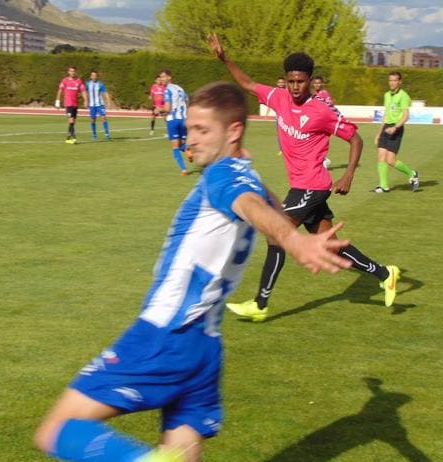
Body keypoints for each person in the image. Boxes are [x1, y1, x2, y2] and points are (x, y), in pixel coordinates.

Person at [34, 81, 352, 462]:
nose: (190, 139)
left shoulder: (224, 177)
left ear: (233, 130)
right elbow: (268, 212)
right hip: (204, 348)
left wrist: (293, 240)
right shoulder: (245, 175)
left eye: (202, 130)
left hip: (165, 335)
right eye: (189, 129)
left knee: (57, 430)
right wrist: (291, 233)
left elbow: (250, 206)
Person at [208, 33, 400, 321]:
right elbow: (247, 84)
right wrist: (224, 57)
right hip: (301, 186)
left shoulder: (321, 111)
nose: (296, 87)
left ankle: (260, 304)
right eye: (291, 81)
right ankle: (386, 274)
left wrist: (348, 175)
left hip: (312, 186)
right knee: (329, 244)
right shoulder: (278, 97)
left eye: (301, 81)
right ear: (285, 79)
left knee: (277, 234)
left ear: (310, 80)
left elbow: (356, 139)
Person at [374, 71, 419, 193]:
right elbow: (386, 114)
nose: (392, 83)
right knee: (381, 156)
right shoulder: (387, 95)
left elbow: (406, 115)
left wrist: (395, 128)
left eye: (395, 80)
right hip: (386, 128)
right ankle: (384, 186)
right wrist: (379, 132)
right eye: (390, 80)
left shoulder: (403, 96)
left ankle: (412, 173)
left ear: (399, 82)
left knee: (390, 160)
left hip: (396, 128)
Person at [159, 69, 192, 175]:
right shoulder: (179, 88)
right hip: (183, 119)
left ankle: (184, 169)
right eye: (160, 77)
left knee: (175, 147)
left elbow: (167, 109)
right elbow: (187, 101)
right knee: (182, 143)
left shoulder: (167, 90)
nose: (162, 79)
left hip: (173, 120)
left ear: (169, 77)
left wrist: (159, 110)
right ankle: (188, 151)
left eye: (163, 77)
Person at [55, 66, 88, 144]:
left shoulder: (79, 81)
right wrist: (57, 101)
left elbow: (83, 91)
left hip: (75, 104)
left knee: (73, 121)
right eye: (71, 71)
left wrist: (86, 100)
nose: (72, 72)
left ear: (75, 72)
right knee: (71, 120)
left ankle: (68, 138)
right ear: (68, 72)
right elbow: (60, 90)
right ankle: (74, 136)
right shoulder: (65, 81)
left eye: (73, 71)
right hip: (68, 103)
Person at [86, 70, 111, 141]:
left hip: (100, 105)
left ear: (97, 76)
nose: (94, 77)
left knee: (103, 118)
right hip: (92, 105)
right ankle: (94, 135)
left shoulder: (100, 84)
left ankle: (107, 134)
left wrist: (108, 102)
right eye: (92, 75)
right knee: (93, 120)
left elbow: (105, 93)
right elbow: (85, 92)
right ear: (90, 76)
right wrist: (86, 100)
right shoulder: (88, 84)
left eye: (95, 76)